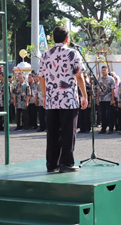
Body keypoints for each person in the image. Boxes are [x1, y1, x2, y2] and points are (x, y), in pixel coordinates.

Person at [39, 26, 88, 173]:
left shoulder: (45, 55)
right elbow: (79, 76)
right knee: (68, 132)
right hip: (68, 99)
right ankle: (66, 163)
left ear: (53, 38)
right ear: (67, 39)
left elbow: (41, 77)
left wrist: (45, 95)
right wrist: (84, 95)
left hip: (51, 99)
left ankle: (52, 164)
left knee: (53, 133)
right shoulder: (73, 53)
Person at [97, 66, 116, 134]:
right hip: (102, 99)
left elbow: (113, 89)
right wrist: (97, 99)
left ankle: (111, 128)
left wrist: (112, 99)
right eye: (102, 70)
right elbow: (98, 90)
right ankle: (103, 128)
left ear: (107, 71)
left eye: (104, 70)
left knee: (110, 114)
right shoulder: (100, 79)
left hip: (109, 98)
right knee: (102, 114)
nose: (103, 71)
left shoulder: (111, 79)